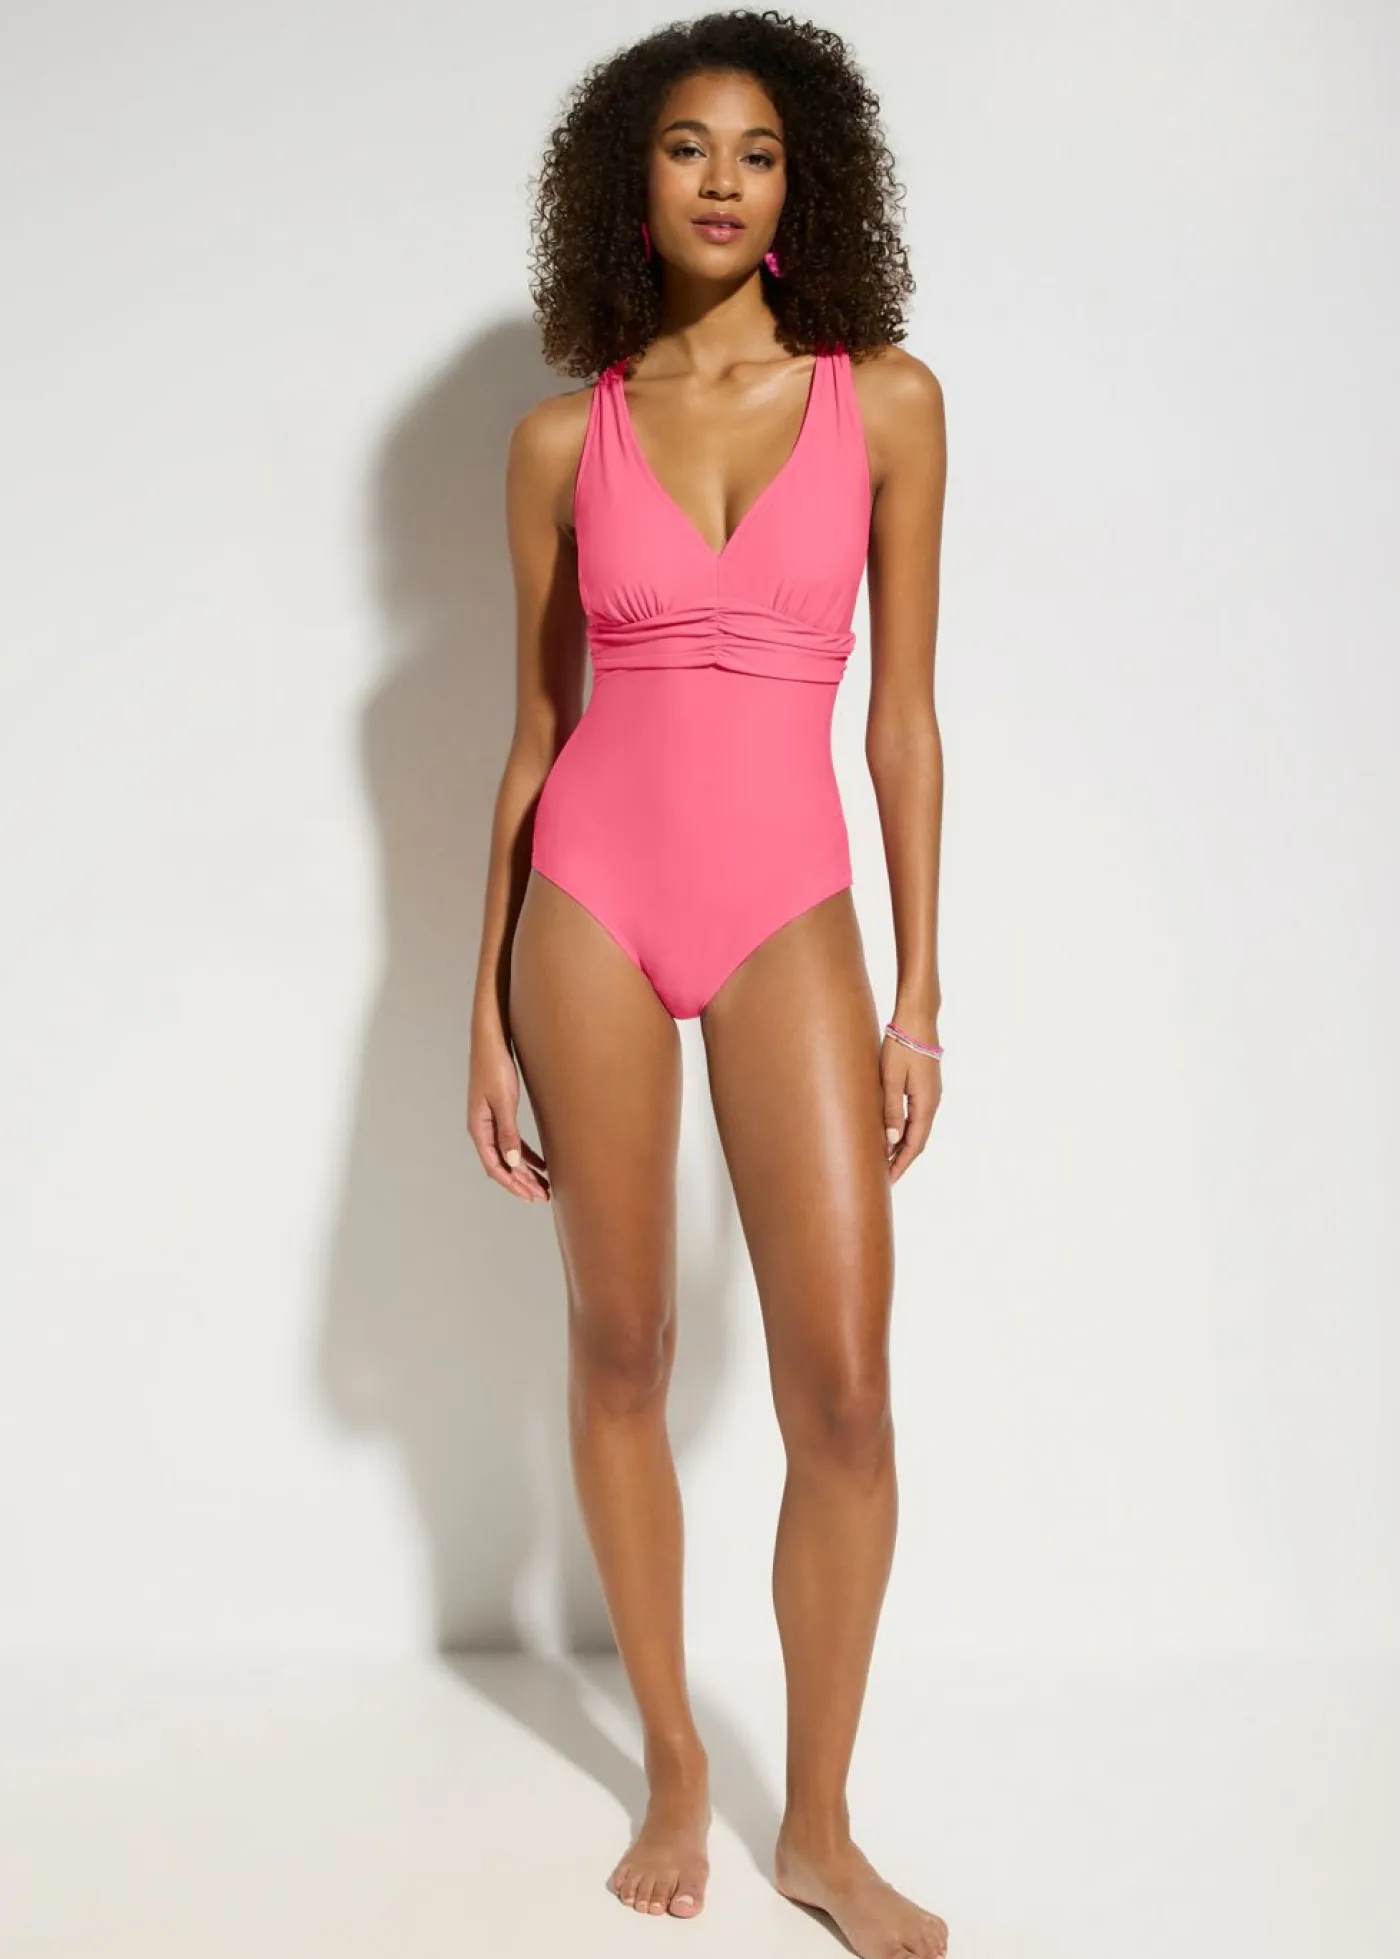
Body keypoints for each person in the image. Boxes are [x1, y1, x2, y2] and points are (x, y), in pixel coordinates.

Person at [466, 13, 948, 1957]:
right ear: (633, 182)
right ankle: (673, 1756)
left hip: (786, 904)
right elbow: (532, 737)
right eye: (685, 146)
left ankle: (816, 1822)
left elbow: (902, 721)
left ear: (802, 180)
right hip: (585, 900)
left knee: (845, 1391)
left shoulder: (885, 403)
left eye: (757, 148)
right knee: (620, 1348)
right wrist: (480, 1010)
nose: (724, 179)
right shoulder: (558, 440)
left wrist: (919, 995)